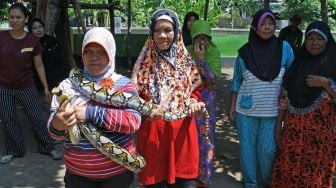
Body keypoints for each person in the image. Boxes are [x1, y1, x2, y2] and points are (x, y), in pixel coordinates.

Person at [48, 27, 141, 187]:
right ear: (82, 54)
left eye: (101, 52)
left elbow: (133, 122)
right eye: (89, 52)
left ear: (110, 53)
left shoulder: (124, 85)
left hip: (117, 174)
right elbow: (55, 134)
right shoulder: (67, 86)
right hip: (77, 175)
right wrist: (59, 122)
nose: (94, 57)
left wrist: (89, 113)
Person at [132, 9, 205, 187]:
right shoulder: (143, 65)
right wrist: (146, 111)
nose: (162, 35)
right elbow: (134, 99)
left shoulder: (186, 61)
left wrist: (195, 103)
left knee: (184, 182)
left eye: (167, 30)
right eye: (157, 30)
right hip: (154, 136)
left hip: (183, 136)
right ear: (151, 33)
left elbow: (195, 91)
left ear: (177, 32)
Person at [228, 9, 294, 187]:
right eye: (263, 24)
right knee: (247, 149)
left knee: (268, 150)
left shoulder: (284, 48)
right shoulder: (245, 52)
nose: (267, 27)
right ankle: (250, 183)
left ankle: (269, 180)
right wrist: (232, 106)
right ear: (255, 27)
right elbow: (236, 82)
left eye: (271, 23)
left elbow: (292, 76)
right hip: (245, 111)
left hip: (272, 112)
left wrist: (288, 101)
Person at [272, 21, 336, 188]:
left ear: (327, 40)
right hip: (294, 131)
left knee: (314, 171)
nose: (314, 43)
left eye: (319, 39)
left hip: (320, 133)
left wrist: (325, 84)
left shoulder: (333, 65)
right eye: (310, 38)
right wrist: (279, 123)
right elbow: (284, 97)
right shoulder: (298, 63)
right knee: (290, 164)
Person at [0, 3, 63, 164]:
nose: (14, 21)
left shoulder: (32, 40)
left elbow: (39, 65)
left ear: (25, 19)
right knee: (8, 119)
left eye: (18, 17)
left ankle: (48, 147)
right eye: (12, 17)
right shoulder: (2, 37)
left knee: (37, 118)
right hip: (4, 87)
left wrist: (46, 87)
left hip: (26, 86)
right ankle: (14, 150)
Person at [186, 20, 221, 186]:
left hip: (207, 102)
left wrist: (200, 60)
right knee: (190, 137)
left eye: (205, 38)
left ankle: (204, 177)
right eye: (198, 37)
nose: (202, 41)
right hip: (190, 100)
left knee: (206, 137)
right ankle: (190, 173)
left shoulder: (214, 52)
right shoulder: (186, 51)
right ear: (192, 38)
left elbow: (212, 80)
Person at [28, 18, 67, 93]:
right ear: (31, 30)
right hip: (38, 83)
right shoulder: (29, 44)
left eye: (40, 27)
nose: (38, 30)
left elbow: (61, 61)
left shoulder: (53, 41)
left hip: (56, 80)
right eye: (35, 28)